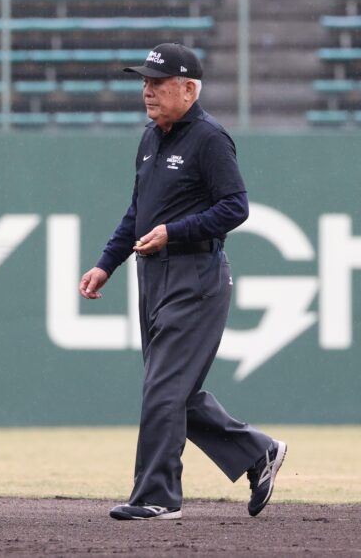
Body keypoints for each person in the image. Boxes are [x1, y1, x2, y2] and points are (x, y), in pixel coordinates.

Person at [78, 43, 286, 521]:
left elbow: (236, 207)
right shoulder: (150, 138)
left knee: (163, 390)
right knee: (173, 392)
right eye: (144, 82)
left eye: (157, 82)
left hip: (196, 274)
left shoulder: (210, 138)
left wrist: (175, 231)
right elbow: (138, 212)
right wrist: (107, 263)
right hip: (153, 275)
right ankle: (258, 452)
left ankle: (157, 496)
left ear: (189, 89)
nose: (147, 91)